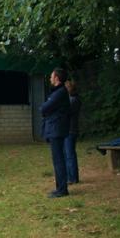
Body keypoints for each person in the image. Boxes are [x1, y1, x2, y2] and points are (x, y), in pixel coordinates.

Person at [41, 68, 71, 198]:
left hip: (56, 129)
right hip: (56, 128)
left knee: (59, 160)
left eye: (52, 76)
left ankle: (62, 189)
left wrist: (45, 108)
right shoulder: (59, 92)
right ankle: (59, 187)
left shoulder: (59, 92)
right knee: (57, 160)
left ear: (57, 78)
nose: (50, 78)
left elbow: (44, 108)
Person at [65, 80, 81, 185]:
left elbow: (66, 113)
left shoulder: (73, 100)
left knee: (70, 154)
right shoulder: (73, 99)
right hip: (70, 129)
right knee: (68, 154)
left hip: (70, 130)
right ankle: (70, 177)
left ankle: (73, 178)